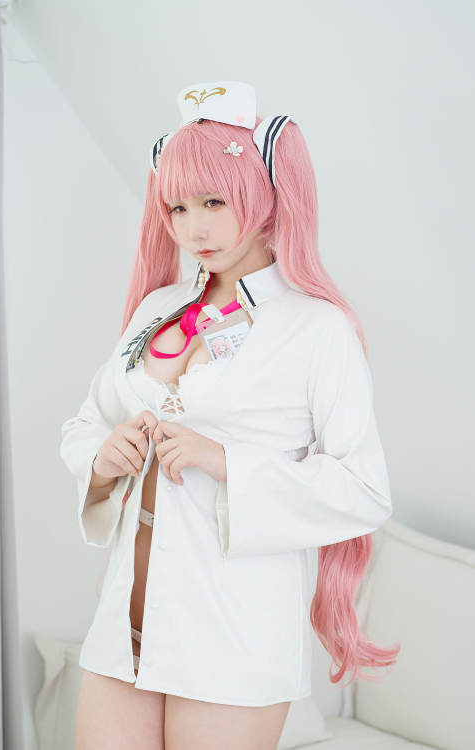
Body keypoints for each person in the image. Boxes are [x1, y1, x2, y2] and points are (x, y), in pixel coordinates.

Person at [60, 80, 400, 750]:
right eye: (178, 206)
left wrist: (224, 461)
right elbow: (85, 423)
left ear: (266, 193)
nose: (195, 229)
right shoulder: (158, 308)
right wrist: (103, 457)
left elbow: (364, 490)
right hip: (125, 629)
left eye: (214, 201)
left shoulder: (316, 328)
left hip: (234, 636)